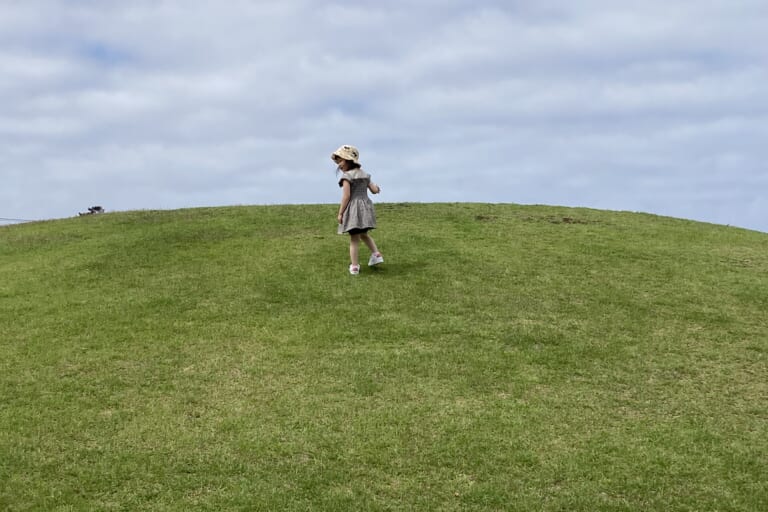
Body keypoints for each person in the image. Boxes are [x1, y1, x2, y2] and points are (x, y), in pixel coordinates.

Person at [331, 144, 384, 275]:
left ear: (349, 160)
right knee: (364, 234)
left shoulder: (347, 177)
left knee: (354, 239)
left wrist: (340, 213)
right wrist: (377, 188)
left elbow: (346, 196)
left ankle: (354, 267)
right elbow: (373, 190)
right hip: (366, 209)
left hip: (354, 210)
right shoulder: (365, 175)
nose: (339, 165)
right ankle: (376, 254)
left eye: (341, 161)